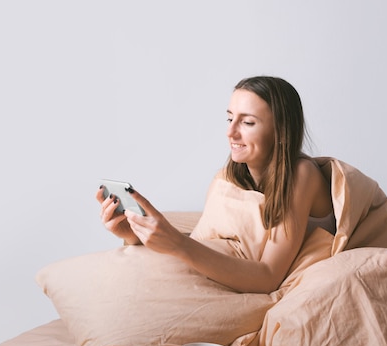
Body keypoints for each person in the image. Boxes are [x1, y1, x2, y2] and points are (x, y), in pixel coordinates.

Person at [95, 76, 334, 294]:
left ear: (280, 131)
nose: (231, 132)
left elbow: (268, 277)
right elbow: (206, 244)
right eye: (230, 118)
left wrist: (177, 243)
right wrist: (134, 235)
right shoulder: (227, 179)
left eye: (248, 123)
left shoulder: (302, 175)